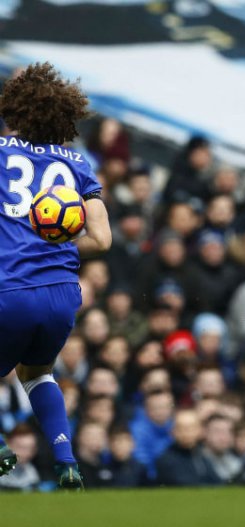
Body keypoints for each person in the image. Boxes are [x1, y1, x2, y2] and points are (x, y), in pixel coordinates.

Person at [0, 62, 112, 490]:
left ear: (13, 109)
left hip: (10, 288)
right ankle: (66, 462)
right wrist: (55, 243)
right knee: (37, 373)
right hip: (63, 294)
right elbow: (101, 240)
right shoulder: (78, 162)